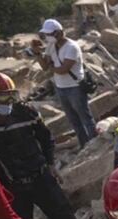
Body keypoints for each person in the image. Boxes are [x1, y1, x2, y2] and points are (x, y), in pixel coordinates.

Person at [0, 72, 91, 219]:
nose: (9, 102)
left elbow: (45, 137)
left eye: (12, 96)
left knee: (64, 216)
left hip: (40, 176)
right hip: (14, 185)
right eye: (3, 98)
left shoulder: (25, 112)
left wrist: (50, 164)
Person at [32, 20, 96, 148]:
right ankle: (85, 145)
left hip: (75, 87)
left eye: (50, 34)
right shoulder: (51, 46)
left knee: (85, 118)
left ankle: (95, 143)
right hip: (60, 87)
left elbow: (63, 70)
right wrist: (37, 53)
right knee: (73, 120)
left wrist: (50, 64)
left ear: (59, 33)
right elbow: (45, 67)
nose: (48, 37)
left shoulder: (72, 47)